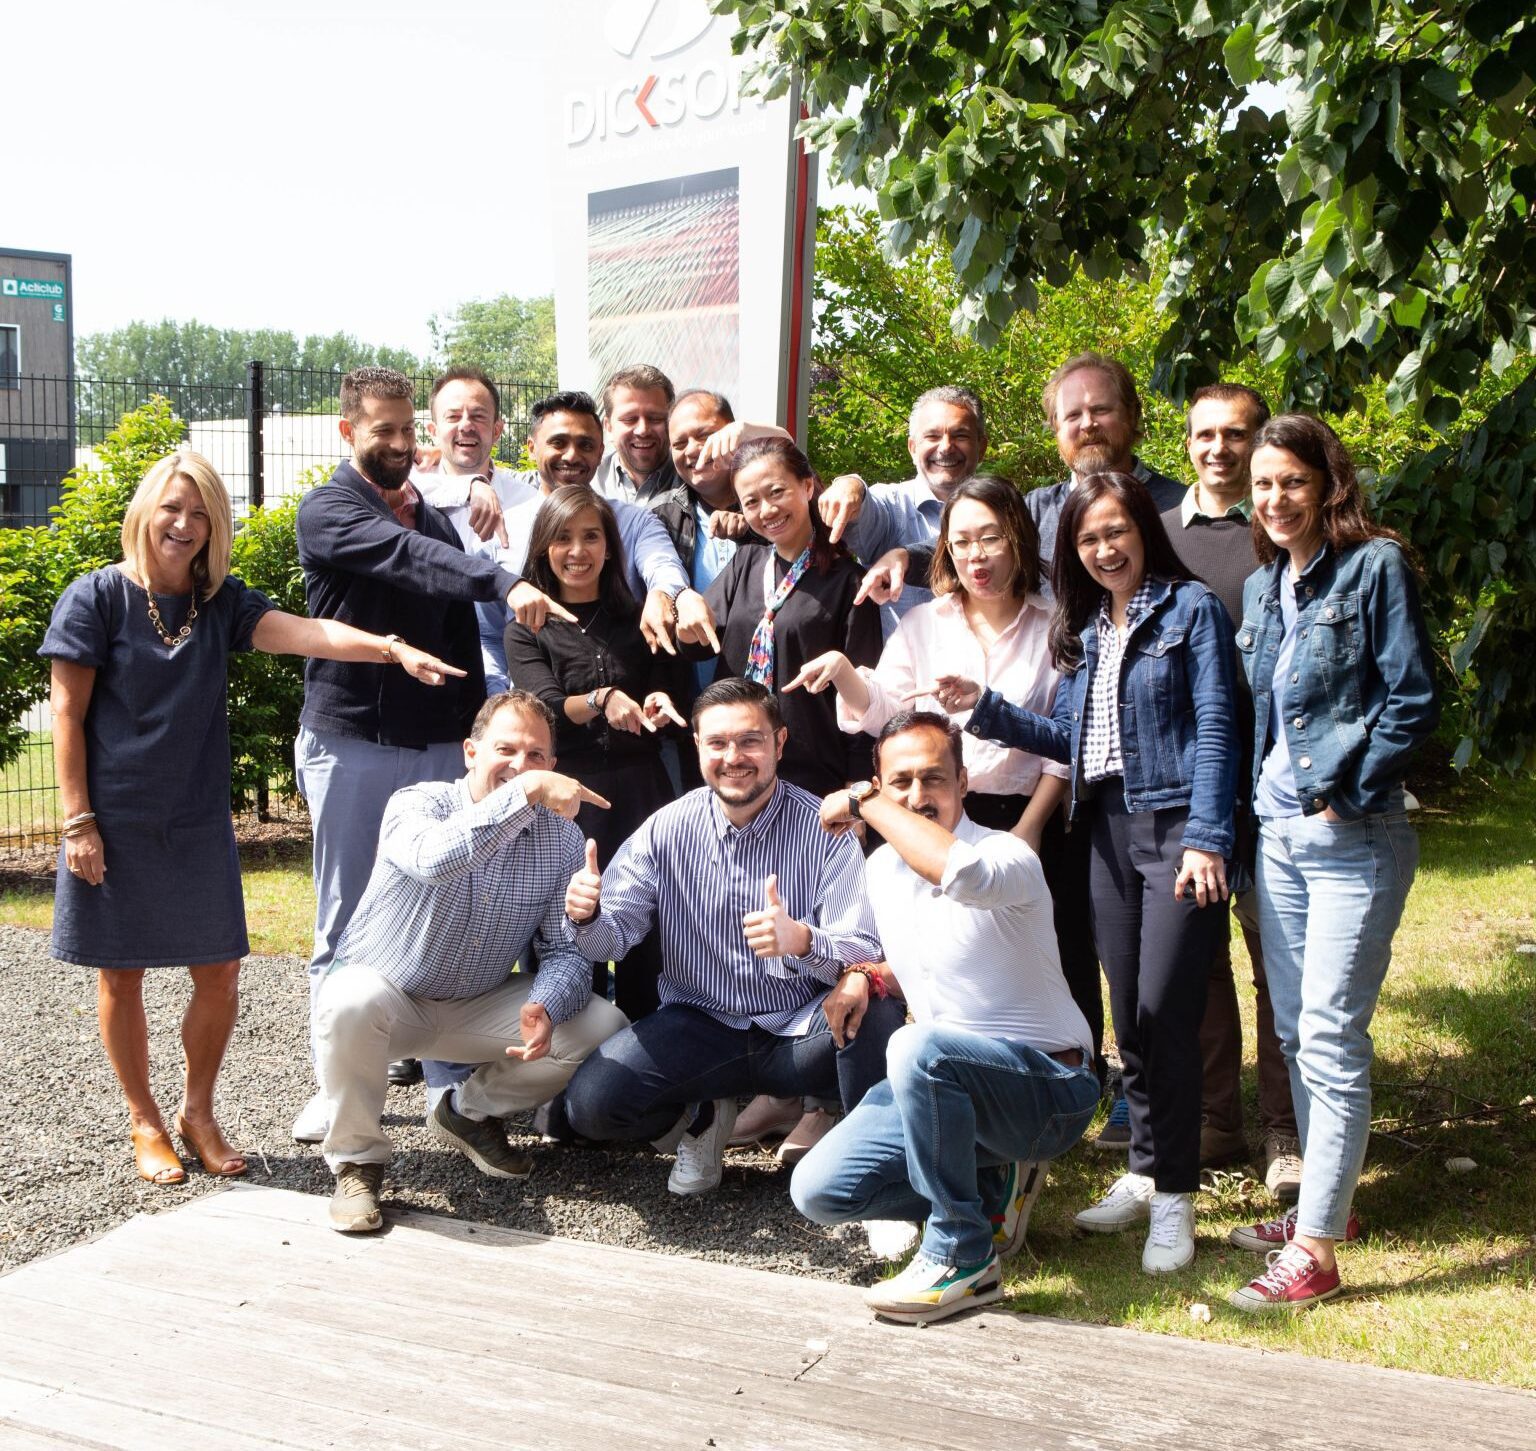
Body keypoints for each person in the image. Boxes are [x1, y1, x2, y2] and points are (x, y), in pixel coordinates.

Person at [42, 451, 462, 1186]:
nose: (184, 524)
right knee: (122, 975)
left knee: (219, 973)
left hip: (198, 819)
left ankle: (196, 1111)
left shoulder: (219, 602)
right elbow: (67, 714)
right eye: (173, 507)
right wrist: (78, 821)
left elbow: (310, 633)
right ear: (146, 510)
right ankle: (144, 1118)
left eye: (200, 513)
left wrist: (389, 649)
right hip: (115, 820)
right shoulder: (96, 598)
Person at [931, 471, 1239, 1274]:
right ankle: (1144, 1165)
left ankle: (1175, 1194)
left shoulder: (1192, 609)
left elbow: (1216, 725)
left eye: (1116, 532)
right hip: (1102, 828)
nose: (1104, 548)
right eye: (1088, 538)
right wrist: (984, 704)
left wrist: (1209, 836)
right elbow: (1067, 737)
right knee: (1126, 1015)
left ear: (1142, 528)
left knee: (1167, 1008)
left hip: (1176, 829)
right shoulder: (1090, 633)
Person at [291, 366, 571, 1143]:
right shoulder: (330, 511)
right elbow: (407, 561)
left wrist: (472, 734)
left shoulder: (423, 506)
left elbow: (449, 618)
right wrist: (502, 580)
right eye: (383, 430)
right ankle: (336, 1088)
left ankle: (451, 1085)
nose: (400, 444)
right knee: (346, 915)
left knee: (448, 902)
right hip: (356, 740)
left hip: (435, 744)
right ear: (347, 432)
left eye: (407, 430)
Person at [781, 475, 1101, 1075]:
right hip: (937, 811)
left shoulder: (1056, 622)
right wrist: (845, 669)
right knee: (951, 942)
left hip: (1027, 810)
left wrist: (1030, 827)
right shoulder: (925, 623)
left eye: (991, 539)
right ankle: (968, 1062)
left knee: (1056, 939)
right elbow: (883, 710)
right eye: (961, 543)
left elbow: (1067, 742)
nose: (976, 556)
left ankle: (1075, 1073)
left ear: (1018, 539)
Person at [1227, 414, 1437, 1311]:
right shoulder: (1265, 586)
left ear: (1327, 485)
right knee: (1291, 1033)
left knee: (1330, 1036)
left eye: (1292, 482)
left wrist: (1346, 790)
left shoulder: (1373, 568)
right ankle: (1330, 1205)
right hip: (1277, 841)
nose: (1275, 499)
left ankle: (1313, 1250)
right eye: (1262, 484)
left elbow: (1414, 695)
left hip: (1354, 838)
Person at [793, 712, 1098, 1323]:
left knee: (915, 1047)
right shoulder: (880, 871)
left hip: (1048, 1092)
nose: (915, 796)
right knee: (819, 1189)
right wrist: (865, 975)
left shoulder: (1007, 853)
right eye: (897, 781)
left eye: (932, 779)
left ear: (964, 783)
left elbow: (957, 874)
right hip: (948, 1085)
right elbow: (930, 962)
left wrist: (867, 801)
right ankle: (989, 1191)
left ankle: (964, 1253)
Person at [560, 679, 906, 1196]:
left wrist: (804, 940)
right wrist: (586, 918)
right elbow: (613, 939)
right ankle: (702, 1116)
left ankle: (868, 1174)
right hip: (699, 1023)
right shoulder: (667, 829)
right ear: (697, 745)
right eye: (717, 743)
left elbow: (863, 950)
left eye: (750, 741)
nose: (734, 757)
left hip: (800, 1030)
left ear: (779, 744)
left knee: (872, 1011)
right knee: (591, 1106)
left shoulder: (825, 831)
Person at [315, 691, 627, 1234]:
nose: (520, 766)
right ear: (470, 752)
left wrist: (545, 1004)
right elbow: (432, 859)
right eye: (506, 749)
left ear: (555, 766)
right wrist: (524, 794)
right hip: (389, 998)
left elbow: (563, 952)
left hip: (473, 1005)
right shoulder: (417, 803)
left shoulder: (562, 839)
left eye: (536, 757)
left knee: (603, 1025)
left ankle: (466, 1111)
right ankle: (357, 1162)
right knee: (347, 998)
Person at [1161, 383, 1302, 1194]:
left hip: (1274, 782)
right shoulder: (1164, 536)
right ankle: (1218, 1119)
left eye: (1236, 433)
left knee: (1275, 962)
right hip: (1188, 787)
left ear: (1260, 440)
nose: (1219, 447)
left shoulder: (1278, 533)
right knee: (1199, 963)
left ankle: (1285, 1130)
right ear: (1186, 443)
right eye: (1204, 433)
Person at [504, 487, 688, 1021]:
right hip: (567, 797)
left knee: (644, 925)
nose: (578, 550)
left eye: (591, 536)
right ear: (543, 548)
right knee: (565, 928)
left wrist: (656, 703)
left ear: (611, 548)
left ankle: (641, 1058)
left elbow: (670, 688)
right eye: (563, 538)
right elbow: (547, 710)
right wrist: (602, 700)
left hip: (641, 788)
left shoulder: (638, 618)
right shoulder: (529, 628)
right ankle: (562, 1060)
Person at [680, 437, 882, 798]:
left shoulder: (848, 581)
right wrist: (686, 618)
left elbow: (864, 690)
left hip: (813, 769)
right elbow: (700, 647)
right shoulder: (746, 564)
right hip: (737, 762)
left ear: (807, 487)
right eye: (752, 502)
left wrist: (856, 783)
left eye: (777, 492)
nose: (767, 510)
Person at [475, 390, 714, 694]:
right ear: (532, 447)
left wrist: (666, 593)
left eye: (585, 445)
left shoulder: (635, 522)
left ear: (601, 452)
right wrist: (499, 701)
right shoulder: (499, 532)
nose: (572, 455)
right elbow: (488, 634)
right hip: (535, 720)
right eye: (558, 442)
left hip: (631, 718)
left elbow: (662, 564)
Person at [814, 385, 988, 630]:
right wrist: (851, 486)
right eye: (932, 436)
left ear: (982, 447)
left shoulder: (1006, 513)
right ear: (912, 448)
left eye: (960, 435)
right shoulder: (893, 507)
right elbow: (864, 510)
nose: (946, 446)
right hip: (908, 667)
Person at [411, 367, 525, 551]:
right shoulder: (408, 490)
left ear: (496, 431)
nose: (465, 425)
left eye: (478, 416)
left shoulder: (526, 501)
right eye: (453, 416)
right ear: (433, 431)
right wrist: (471, 486)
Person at [592, 363, 683, 506]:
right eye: (629, 419)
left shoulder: (694, 478)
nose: (643, 430)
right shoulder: (589, 481)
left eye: (655, 418)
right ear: (608, 427)